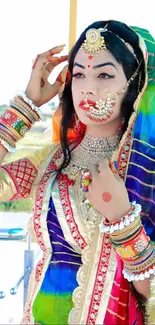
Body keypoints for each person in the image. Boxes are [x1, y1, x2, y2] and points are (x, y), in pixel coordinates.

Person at [0, 19, 155, 325]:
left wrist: (123, 219)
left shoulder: (144, 174)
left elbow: (150, 293)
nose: (87, 88)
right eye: (80, 74)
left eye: (105, 74)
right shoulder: (52, 160)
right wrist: (26, 106)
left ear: (136, 84)